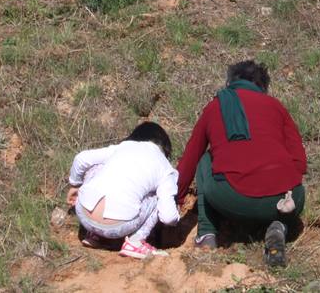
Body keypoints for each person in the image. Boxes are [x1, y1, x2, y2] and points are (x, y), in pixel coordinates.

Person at [174, 60, 307, 267]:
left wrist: (176, 198)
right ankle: (278, 225)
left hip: (233, 199)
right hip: (286, 201)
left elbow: (191, 158)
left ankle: (207, 234)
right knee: (289, 186)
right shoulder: (277, 107)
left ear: (230, 82)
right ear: (263, 87)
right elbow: (299, 162)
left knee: (205, 158)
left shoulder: (215, 106)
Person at [67, 121, 180, 260]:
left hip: (84, 215)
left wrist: (75, 185)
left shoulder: (122, 147)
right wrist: (175, 223)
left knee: (97, 167)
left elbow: (81, 159)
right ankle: (135, 242)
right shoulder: (166, 167)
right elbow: (168, 217)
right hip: (119, 227)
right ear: (165, 147)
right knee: (159, 196)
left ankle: (95, 235)